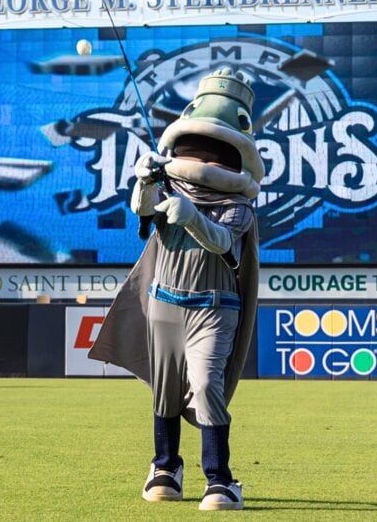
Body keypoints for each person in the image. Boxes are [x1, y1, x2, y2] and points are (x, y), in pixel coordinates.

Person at [89, 67, 262, 511]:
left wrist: (190, 215)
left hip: (214, 307)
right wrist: (145, 181)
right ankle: (165, 465)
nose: (202, 157)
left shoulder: (239, 205)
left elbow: (223, 241)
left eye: (215, 150)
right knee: (164, 388)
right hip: (165, 301)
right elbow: (142, 211)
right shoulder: (169, 184)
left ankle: (220, 478)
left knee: (207, 385)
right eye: (196, 147)